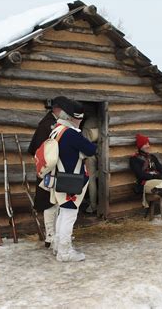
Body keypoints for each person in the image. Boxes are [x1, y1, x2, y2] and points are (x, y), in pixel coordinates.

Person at [45, 99, 96, 262]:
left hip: (59, 178)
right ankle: (65, 252)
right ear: (72, 117)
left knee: (63, 214)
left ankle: (58, 247)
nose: (80, 121)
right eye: (79, 118)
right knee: (69, 215)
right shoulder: (71, 133)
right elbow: (90, 149)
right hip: (70, 180)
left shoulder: (56, 130)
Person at [28, 96, 68, 248]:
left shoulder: (53, 124)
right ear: (57, 109)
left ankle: (53, 235)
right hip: (48, 170)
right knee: (49, 203)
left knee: (55, 202)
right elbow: (38, 150)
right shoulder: (47, 126)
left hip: (53, 169)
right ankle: (50, 236)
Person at [129, 134, 162, 229]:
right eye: (145, 144)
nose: (148, 146)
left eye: (148, 143)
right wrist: (156, 175)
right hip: (146, 183)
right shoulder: (134, 159)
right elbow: (141, 175)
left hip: (159, 182)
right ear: (140, 146)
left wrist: (161, 176)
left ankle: (160, 187)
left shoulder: (152, 157)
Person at [81, 115, 99, 214]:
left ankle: (93, 206)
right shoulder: (103, 119)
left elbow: (84, 143)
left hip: (90, 154)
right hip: (102, 152)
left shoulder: (88, 123)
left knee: (91, 179)